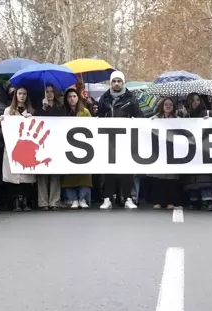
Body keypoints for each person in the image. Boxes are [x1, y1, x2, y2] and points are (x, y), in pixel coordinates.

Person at [97, 71, 143, 209]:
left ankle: (127, 197)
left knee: (127, 169)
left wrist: (135, 120)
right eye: (114, 81)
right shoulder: (104, 99)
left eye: (119, 81)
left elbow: (139, 116)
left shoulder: (131, 98)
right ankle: (107, 198)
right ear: (111, 83)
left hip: (126, 139)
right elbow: (98, 115)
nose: (116, 83)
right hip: (109, 139)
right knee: (109, 170)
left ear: (123, 82)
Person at [0, 86, 36, 211]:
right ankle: (16, 201)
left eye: (24, 94)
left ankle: (25, 200)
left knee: (26, 177)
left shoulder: (31, 110)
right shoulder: (8, 111)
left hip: (27, 148)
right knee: (14, 176)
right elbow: (4, 131)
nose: (22, 96)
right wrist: (0, 123)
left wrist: (29, 118)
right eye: (19, 93)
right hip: (13, 147)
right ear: (16, 95)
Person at [148, 97, 183, 209]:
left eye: (170, 105)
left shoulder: (178, 119)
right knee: (159, 179)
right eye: (166, 104)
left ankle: (171, 201)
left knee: (171, 179)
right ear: (162, 106)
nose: (168, 106)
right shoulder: (155, 118)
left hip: (172, 151)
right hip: (159, 152)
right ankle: (158, 201)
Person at [61, 88, 92, 209]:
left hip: (84, 147)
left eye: (74, 96)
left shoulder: (85, 111)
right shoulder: (63, 112)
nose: (72, 99)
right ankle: (73, 199)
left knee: (84, 174)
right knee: (69, 175)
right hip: (68, 146)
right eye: (69, 97)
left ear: (78, 98)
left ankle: (83, 198)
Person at [183, 93, 212, 210]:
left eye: (197, 100)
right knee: (193, 176)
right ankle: (194, 199)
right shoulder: (187, 116)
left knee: (204, 175)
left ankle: (208, 199)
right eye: (192, 100)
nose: (195, 102)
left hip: (205, 150)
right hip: (191, 150)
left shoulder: (208, 113)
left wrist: (211, 120)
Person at [36, 84, 65, 210]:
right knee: (42, 174)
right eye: (47, 91)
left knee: (54, 173)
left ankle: (54, 201)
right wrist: (43, 107)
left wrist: (49, 108)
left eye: (52, 91)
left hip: (55, 142)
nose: (49, 94)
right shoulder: (38, 107)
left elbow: (61, 121)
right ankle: (43, 202)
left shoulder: (61, 107)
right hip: (42, 143)